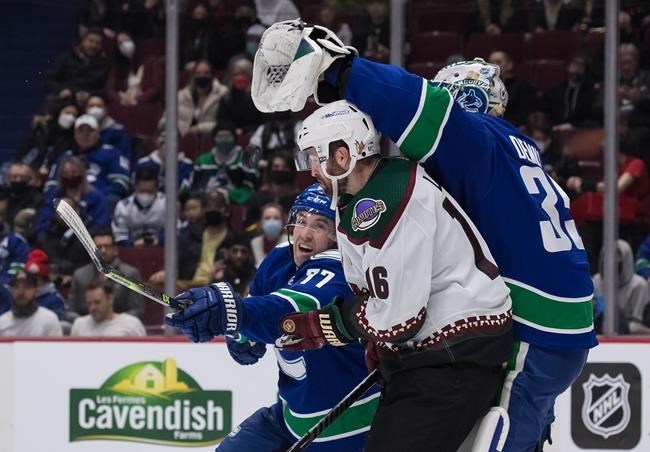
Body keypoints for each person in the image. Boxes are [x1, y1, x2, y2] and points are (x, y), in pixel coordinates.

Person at [252, 21, 597, 451]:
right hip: (561, 320)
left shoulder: (476, 142)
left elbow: (420, 105)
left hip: (533, 323)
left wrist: (339, 70)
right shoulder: (518, 148)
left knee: (496, 439)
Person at [166, 184, 379, 451]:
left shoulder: (342, 269)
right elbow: (258, 311)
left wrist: (232, 313)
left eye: (320, 225)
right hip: (288, 418)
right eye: (301, 220)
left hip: (348, 426)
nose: (306, 234)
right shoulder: (279, 258)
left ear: (338, 235)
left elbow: (289, 310)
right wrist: (243, 335)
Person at [68, 229, 143, 319]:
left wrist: (114, 321)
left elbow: (137, 310)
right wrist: (87, 322)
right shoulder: (79, 275)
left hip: (119, 326)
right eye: (99, 247)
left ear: (115, 250)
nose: (103, 251)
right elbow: (70, 311)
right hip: (87, 327)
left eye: (107, 246)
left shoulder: (130, 274)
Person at [593, 239, 650, 335]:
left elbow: (638, 323)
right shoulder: (596, 281)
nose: (613, 261)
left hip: (630, 334)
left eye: (617, 257)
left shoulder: (639, 284)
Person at [112, 165, 166, 246]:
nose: (145, 195)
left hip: (161, 249)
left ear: (157, 188)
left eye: (149, 192)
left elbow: (175, 233)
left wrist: (159, 241)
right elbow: (119, 237)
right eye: (142, 191)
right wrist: (133, 244)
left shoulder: (167, 204)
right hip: (131, 251)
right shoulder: (123, 207)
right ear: (135, 187)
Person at [71, 278, 145, 337]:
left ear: (110, 299)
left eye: (97, 302)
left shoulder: (131, 324)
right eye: (89, 303)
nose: (92, 307)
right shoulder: (79, 325)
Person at [0, 270, 63, 337]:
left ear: (36, 291)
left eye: (27, 287)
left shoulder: (49, 319)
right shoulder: (2, 322)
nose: (21, 292)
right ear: (11, 291)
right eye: (16, 287)